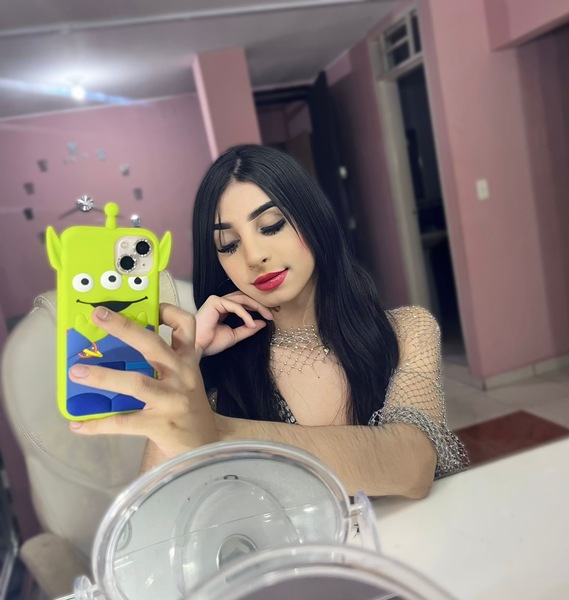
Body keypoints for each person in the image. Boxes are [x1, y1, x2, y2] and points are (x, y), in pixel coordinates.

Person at [68, 144, 468, 497]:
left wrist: (211, 434)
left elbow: (413, 466)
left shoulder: (407, 330)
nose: (254, 256)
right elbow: (156, 514)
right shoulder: (220, 367)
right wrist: (190, 361)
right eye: (228, 244)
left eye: (272, 225)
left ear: (313, 219)